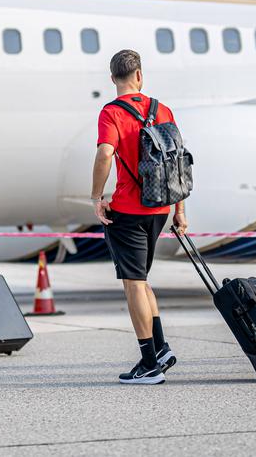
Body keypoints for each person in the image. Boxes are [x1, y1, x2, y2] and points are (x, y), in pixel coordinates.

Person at [91, 49, 186, 385]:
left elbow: (105, 153)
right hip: (161, 207)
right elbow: (178, 163)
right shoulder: (162, 110)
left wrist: (96, 196)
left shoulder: (111, 113)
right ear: (140, 76)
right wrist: (180, 210)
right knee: (142, 280)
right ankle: (160, 349)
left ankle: (149, 364)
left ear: (113, 78)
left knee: (133, 284)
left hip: (129, 210)